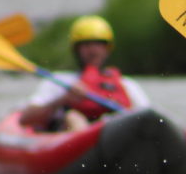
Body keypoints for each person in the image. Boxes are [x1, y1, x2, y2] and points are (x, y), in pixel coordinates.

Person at [18, 14, 150, 132]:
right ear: (76, 49)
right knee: (73, 117)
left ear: (107, 49)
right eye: (86, 45)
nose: (93, 51)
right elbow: (25, 119)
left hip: (114, 132)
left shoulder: (126, 84)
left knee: (117, 120)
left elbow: (148, 119)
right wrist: (63, 99)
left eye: (99, 44)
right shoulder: (60, 81)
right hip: (75, 137)